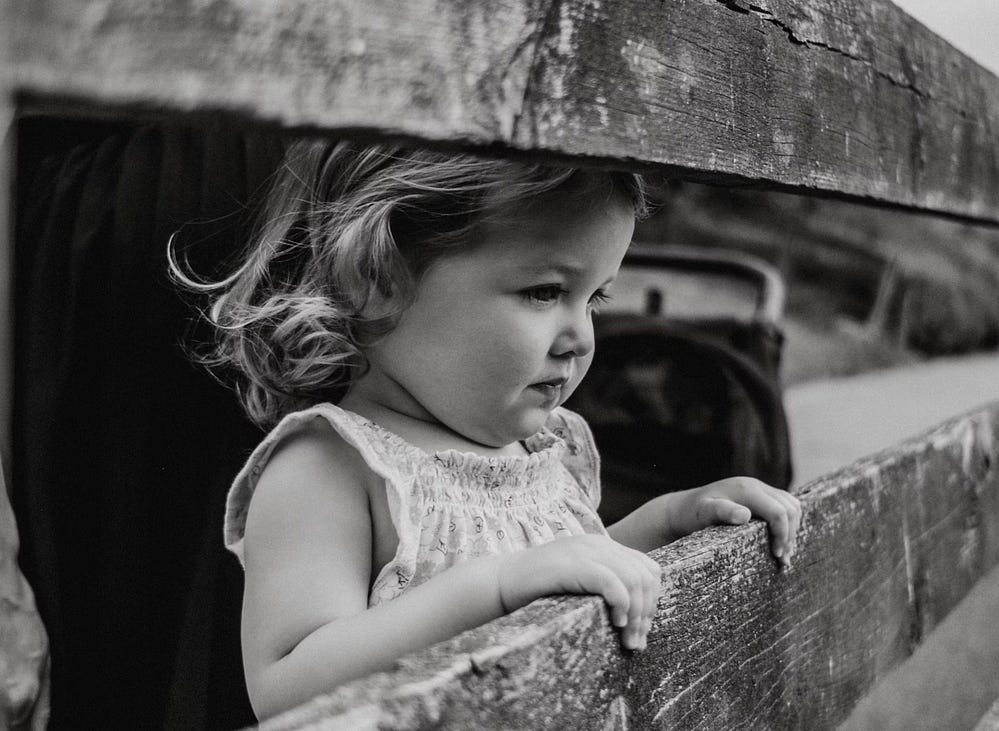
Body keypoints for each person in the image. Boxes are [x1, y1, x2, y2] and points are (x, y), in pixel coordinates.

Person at [172, 139, 802, 720]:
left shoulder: (550, 445)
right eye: (543, 291)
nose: (581, 338)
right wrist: (496, 589)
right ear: (377, 278)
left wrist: (664, 525)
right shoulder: (329, 465)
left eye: (596, 299)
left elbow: (565, 576)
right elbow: (286, 687)